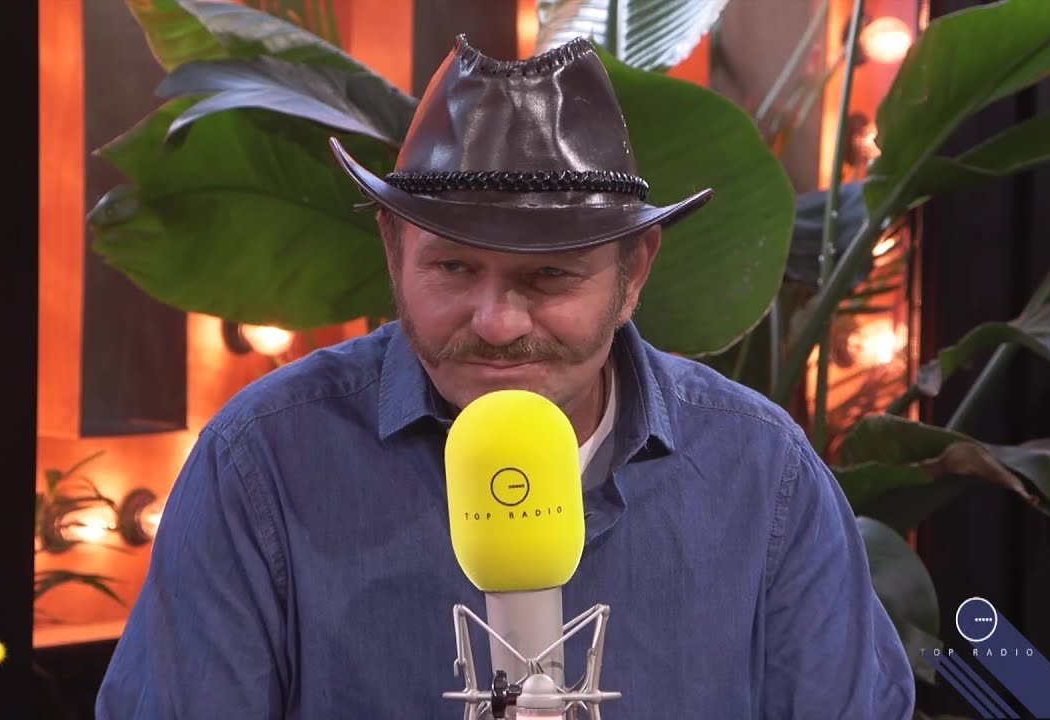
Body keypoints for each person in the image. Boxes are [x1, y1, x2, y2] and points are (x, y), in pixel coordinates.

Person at [95, 34, 914, 719]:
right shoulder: (261, 463)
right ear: (393, 250)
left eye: (549, 276)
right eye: (453, 268)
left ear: (634, 271)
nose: (496, 322)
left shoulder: (760, 472)